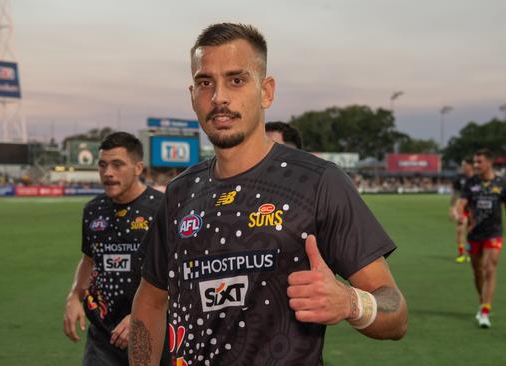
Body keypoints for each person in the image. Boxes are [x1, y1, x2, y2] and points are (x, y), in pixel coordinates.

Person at [128, 23, 408, 366]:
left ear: (266, 91)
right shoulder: (179, 193)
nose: (219, 98)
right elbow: (151, 301)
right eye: (205, 83)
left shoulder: (318, 182)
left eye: (236, 80)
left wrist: (351, 303)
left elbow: (395, 311)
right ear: (192, 95)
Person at [63, 132, 165, 365]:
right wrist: (74, 297)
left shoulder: (162, 209)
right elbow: (89, 259)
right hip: (102, 336)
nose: (108, 173)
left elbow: (177, 273)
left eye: (117, 165)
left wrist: (142, 317)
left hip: (150, 331)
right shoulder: (93, 209)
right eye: (102, 165)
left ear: (138, 168)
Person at [455, 149, 506, 328]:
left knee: (489, 268)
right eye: (474, 162)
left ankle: (485, 311)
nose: (475, 165)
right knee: (477, 272)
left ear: (489, 162)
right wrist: (460, 215)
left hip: (494, 233)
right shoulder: (471, 182)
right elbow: (461, 204)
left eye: (479, 162)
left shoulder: (501, 184)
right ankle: (483, 300)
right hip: (474, 234)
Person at [450, 157, 474, 263]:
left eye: (464, 165)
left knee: (471, 231)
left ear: (470, 165)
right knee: (460, 230)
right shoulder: (459, 178)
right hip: (462, 208)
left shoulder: (477, 178)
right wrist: (452, 208)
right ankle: (461, 254)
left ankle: (470, 253)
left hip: (474, 208)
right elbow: (455, 194)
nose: (463, 167)